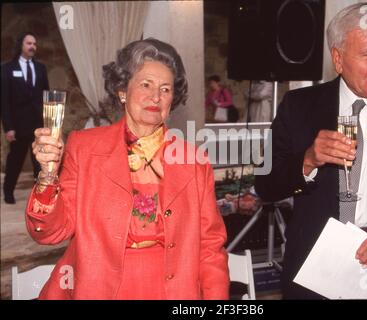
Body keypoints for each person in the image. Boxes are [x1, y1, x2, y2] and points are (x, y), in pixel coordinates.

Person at [255, 3, 367, 299]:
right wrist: (307, 160)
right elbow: (265, 185)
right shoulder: (299, 106)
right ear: (338, 59)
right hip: (315, 274)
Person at [25, 38, 229, 299]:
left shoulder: (194, 161)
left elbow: (210, 248)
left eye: (166, 89)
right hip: (99, 288)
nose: (156, 96)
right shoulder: (85, 148)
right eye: (146, 85)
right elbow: (51, 233)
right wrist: (48, 175)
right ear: (123, 90)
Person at [1, 32, 49, 204]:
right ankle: (8, 191)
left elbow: (46, 97)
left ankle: (40, 195)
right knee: (15, 160)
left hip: (37, 124)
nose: (32, 47)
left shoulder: (41, 68)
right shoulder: (7, 68)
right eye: (29, 43)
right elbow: (4, 101)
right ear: (21, 45)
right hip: (18, 125)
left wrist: (47, 123)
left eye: (34, 44)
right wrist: (9, 127)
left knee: (39, 162)